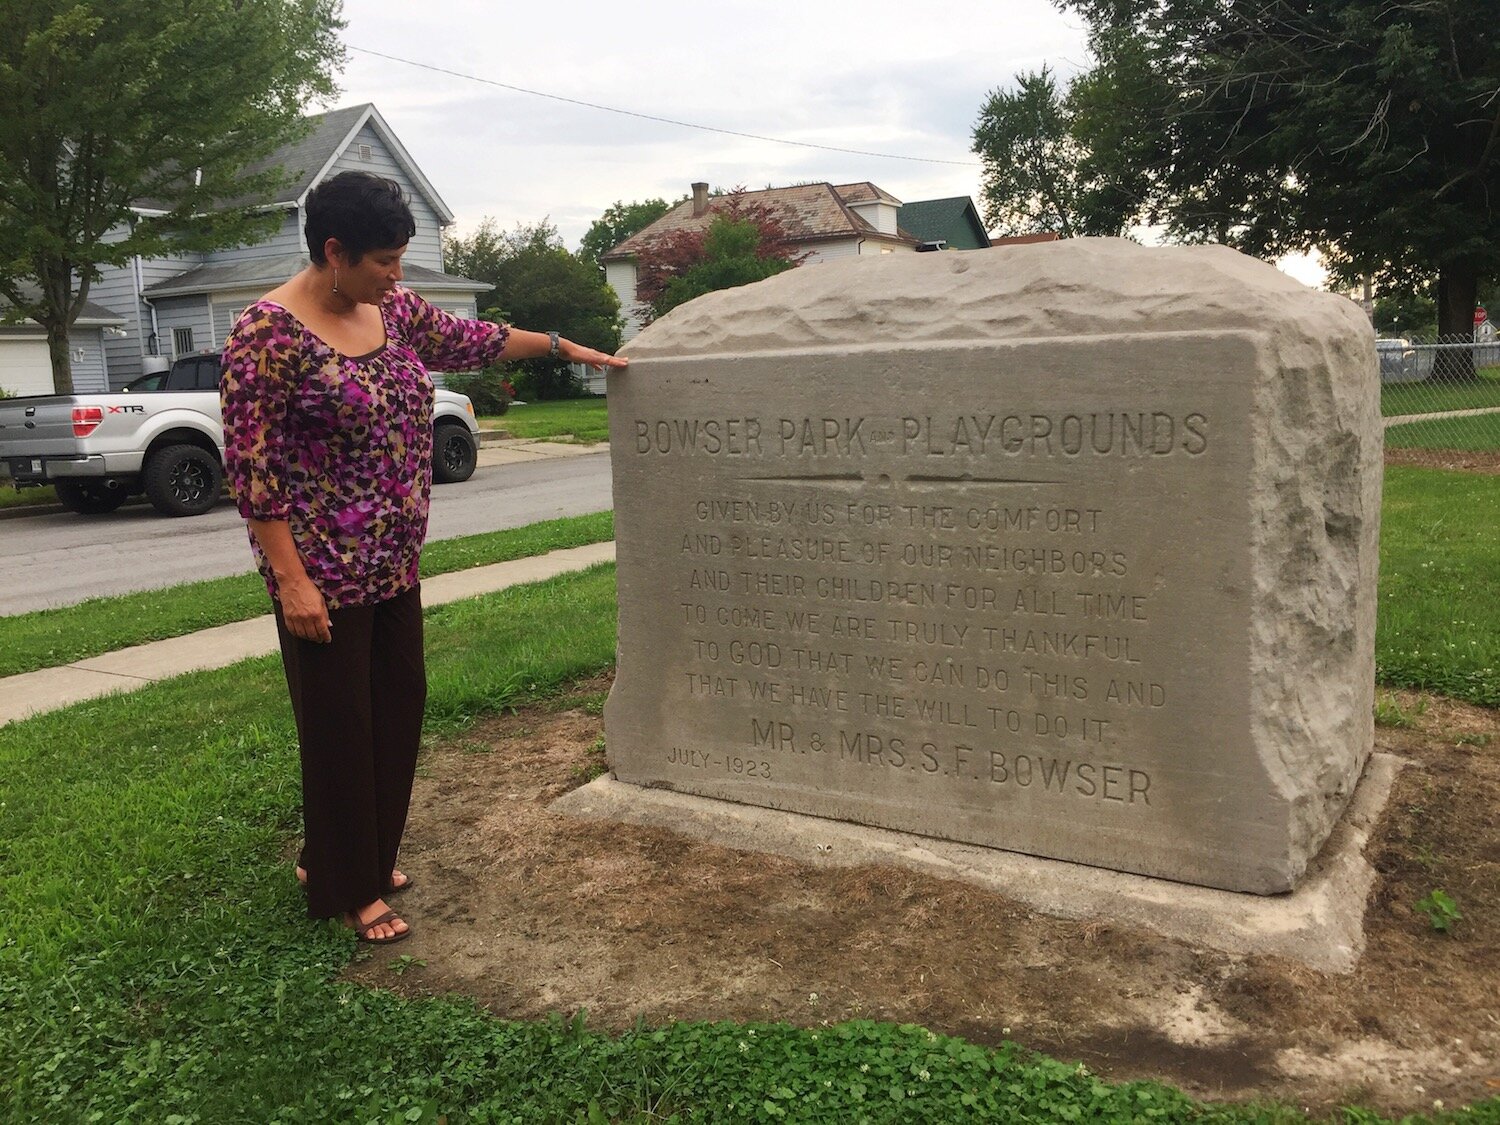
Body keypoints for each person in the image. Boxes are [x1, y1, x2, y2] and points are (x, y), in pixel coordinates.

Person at [220, 170, 626, 944]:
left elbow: (477, 339)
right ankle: (352, 887)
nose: (396, 274)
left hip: (394, 562)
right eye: (383, 260)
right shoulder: (266, 335)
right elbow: (253, 471)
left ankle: (353, 854)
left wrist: (566, 348)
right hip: (323, 574)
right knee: (341, 726)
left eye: (401, 258)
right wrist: (291, 581)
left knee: (396, 710)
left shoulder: (391, 310)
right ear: (334, 251)